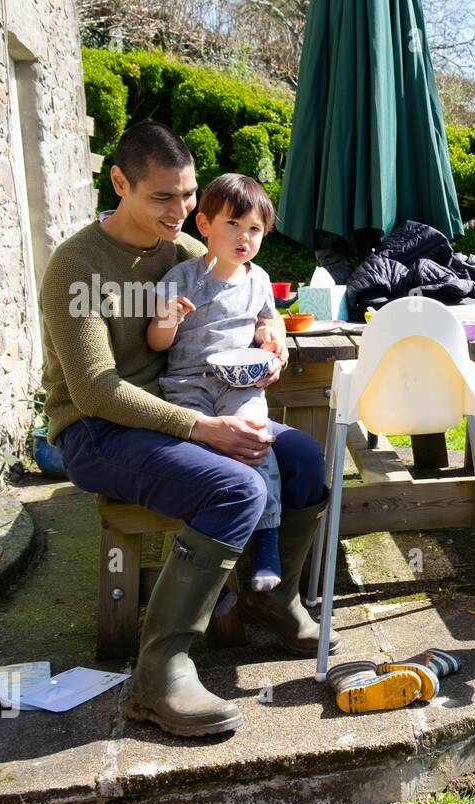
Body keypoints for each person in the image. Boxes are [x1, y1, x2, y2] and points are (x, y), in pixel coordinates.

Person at [40, 121, 335, 739]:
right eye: (162, 197)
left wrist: (271, 338)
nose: (181, 211)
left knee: (306, 457)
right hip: (97, 432)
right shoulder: (77, 267)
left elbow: (250, 303)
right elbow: (96, 389)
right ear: (119, 182)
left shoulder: (183, 255)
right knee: (237, 488)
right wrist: (203, 428)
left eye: (188, 195)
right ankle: (159, 672)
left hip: (182, 410)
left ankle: (271, 597)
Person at [151, 173, 287, 604]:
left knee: (255, 442)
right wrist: (169, 319)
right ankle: (211, 573)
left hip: (238, 384)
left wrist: (273, 338)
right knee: (210, 465)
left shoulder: (258, 279)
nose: (243, 237)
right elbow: (156, 341)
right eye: (233, 224)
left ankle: (267, 543)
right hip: (187, 384)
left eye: (254, 229)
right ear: (205, 225)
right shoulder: (183, 277)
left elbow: (270, 318)